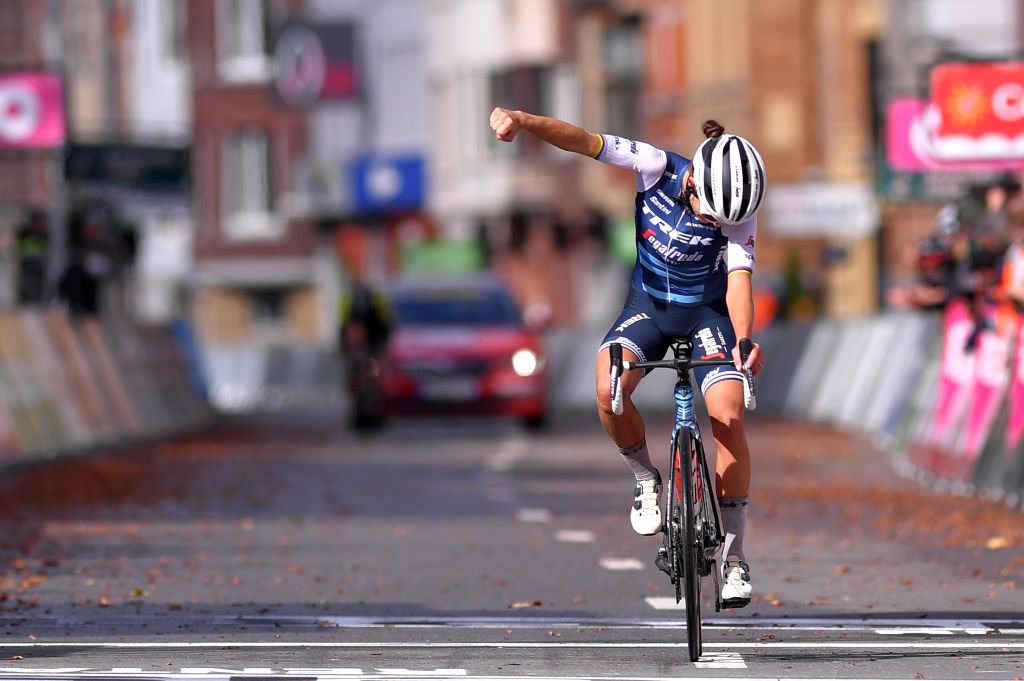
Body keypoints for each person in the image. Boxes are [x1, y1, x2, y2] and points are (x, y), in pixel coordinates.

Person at [489, 107, 766, 609]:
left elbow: (740, 283)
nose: (714, 224)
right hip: (647, 309)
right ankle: (644, 476)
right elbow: (582, 141)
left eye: (725, 221)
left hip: (707, 315)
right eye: (710, 213)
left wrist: (743, 340)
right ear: (696, 180)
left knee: (728, 413)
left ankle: (734, 556)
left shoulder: (739, 213)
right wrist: (525, 121)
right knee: (608, 389)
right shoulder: (655, 166)